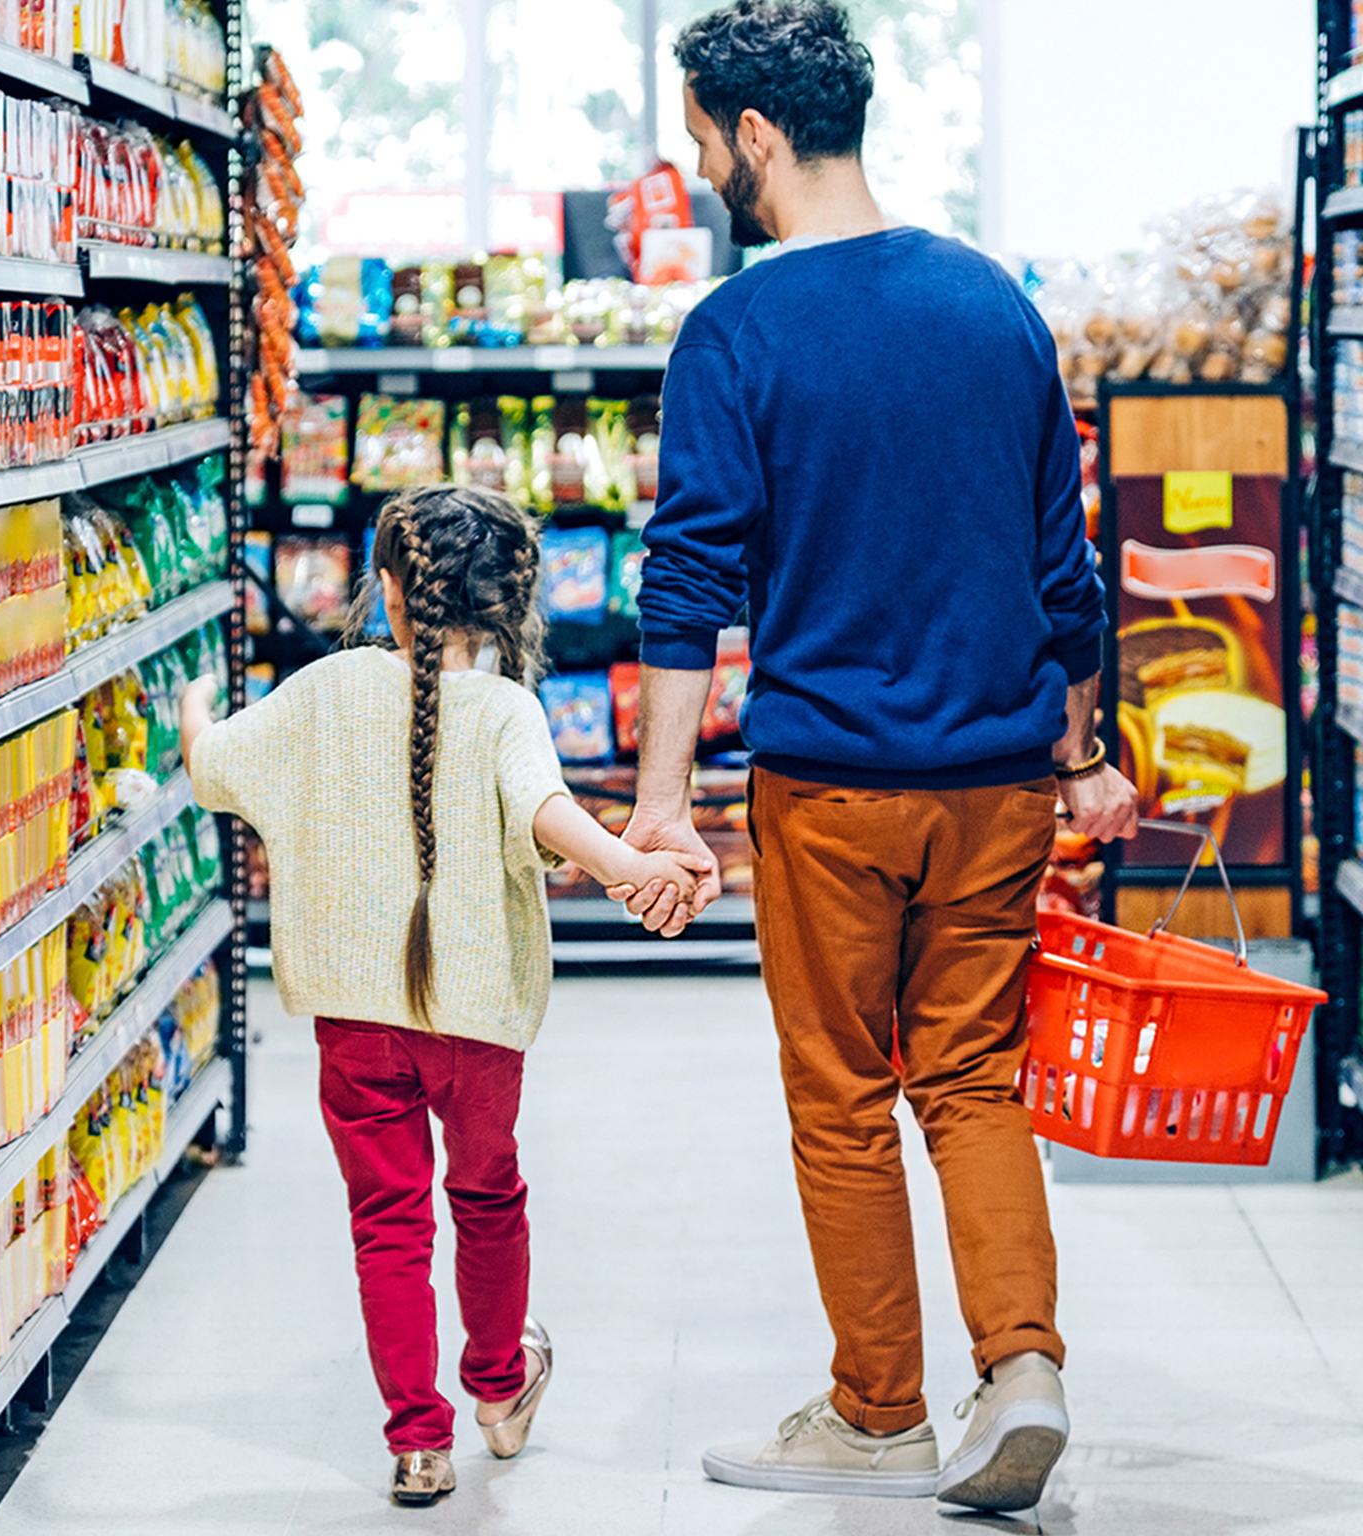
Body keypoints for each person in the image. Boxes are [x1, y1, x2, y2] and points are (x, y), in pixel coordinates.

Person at [611, 0, 1140, 1514]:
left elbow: (689, 582)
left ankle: (879, 1413)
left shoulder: (740, 331)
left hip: (830, 787)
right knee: (975, 1079)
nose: (703, 160)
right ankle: (1022, 1368)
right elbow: (1066, 572)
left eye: (704, 136)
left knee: (842, 1096)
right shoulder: (992, 304)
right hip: (996, 784)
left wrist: (661, 808)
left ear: (755, 136)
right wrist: (1083, 748)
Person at [180, 485, 703, 1507]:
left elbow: (215, 769)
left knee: (388, 1222)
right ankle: (501, 1392)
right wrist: (630, 873)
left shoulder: (327, 691)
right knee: (488, 1198)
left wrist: (198, 709)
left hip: (355, 1024)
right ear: (515, 598)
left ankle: (419, 1444)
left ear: (387, 591)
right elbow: (547, 815)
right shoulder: (508, 710)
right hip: (476, 1027)